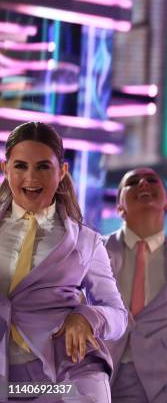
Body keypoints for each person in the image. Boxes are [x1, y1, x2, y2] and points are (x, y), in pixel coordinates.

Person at [0, 121, 127, 402]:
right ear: (5, 168)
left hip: (66, 376)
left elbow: (119, 316)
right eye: (20, 166)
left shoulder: (87, 242)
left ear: (62, 172)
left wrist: (87, 317)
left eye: (43, 166)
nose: (31, 177)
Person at [103, 167, 167, 402]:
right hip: (108, 373)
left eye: (152, 180)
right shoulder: (94, 252)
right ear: (119, 207)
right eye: (132, 182)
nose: (143, 183)